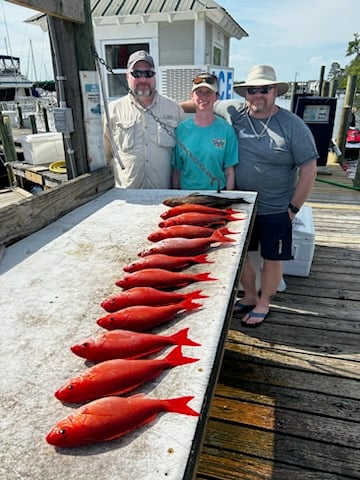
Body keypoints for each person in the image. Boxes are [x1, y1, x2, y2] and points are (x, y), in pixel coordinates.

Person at [182, 65, 318, 327]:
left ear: (275, 91)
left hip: (277, 207)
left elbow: (309, 169)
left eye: (265, 89)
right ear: (245, 93)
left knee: (273, 258)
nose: (258, 95)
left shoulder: (293, 125)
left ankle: (265, 301)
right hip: (242, 204)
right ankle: (249, 295)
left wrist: (293, 208)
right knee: (240, 253)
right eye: (252, 90)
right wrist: (161, 106)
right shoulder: (233, 110)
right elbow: (201, 103)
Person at [103, 50, 185, 188]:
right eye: (136, 74)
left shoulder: (175, 110)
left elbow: (183, 158)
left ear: (155, 76)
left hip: (164, 197)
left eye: (148, 73)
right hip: (127, 199)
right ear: (127, 76)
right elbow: (105, 158)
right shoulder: (111, 111)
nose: (143, 79)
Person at [171, 73, 238, 190]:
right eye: (199, 92)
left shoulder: (227, 130)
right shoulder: (181, 129)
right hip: (187, 197)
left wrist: (228, 199)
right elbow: (177, 170)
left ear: (216, 97)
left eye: (209, 92)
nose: (204, 97)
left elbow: (229, 172)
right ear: (192, 96)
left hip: (216, 196)